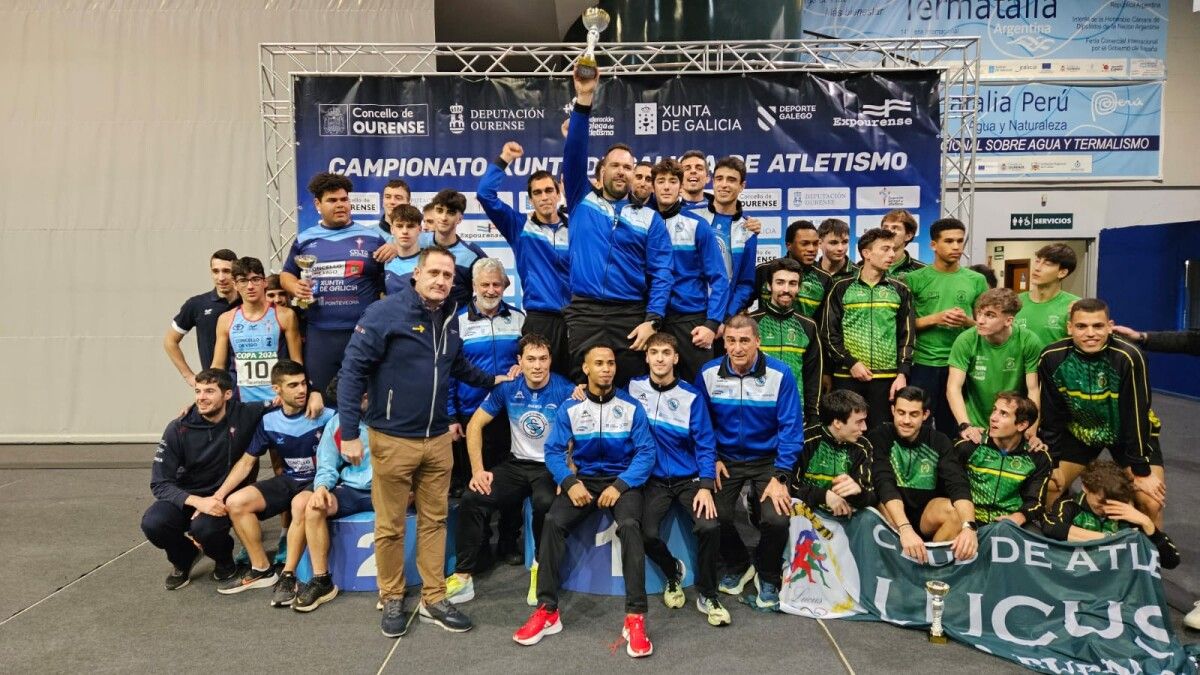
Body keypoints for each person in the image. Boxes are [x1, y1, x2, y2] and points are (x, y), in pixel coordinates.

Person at [338, 245, 509, 638]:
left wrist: (492, 381)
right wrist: (349, 433)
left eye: (448, 275)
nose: (441, 281)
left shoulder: (449, 316)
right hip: (392, 438)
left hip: (437, 439)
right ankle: (393, 595)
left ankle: (434, 598)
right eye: (434, 273)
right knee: (391, 525)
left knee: (435, 521)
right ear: (416, 274)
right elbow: (351, 374)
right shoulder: (384, 313)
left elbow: (457, 363)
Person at [513, 343, 657, 658]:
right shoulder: (569, 407)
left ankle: (634, 617)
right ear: (587, 369)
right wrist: (568, 480)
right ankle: (548, 610)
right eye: (599, 363)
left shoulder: (632, 407)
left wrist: (621, 485)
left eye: (611, 363)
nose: (606, 369)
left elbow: (646, 453)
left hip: (623, 480)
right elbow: (553, 451)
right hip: (585, 481)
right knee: (552, 521)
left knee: (631, 525)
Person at [560, 69, 672, 385]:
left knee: (630, 392)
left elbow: (662, 273)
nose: (622, 171)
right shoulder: (581, 199)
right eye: (615, 165)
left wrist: (653, 320)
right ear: (602, 171)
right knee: (582, 395)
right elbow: (574, 153)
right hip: (585, 313)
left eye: (628, 167)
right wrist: (584, 100)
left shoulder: (650, 219)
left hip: (630, 315)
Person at [446, 334, 576, 607]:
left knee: (544, 503)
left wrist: (568, 472)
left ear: (551, 360)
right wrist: (478, 470)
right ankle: (463, 576)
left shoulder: (566, 389)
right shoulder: (508, 388)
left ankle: (540, 571)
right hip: (517, 465)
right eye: (530, 359)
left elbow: (578, 435)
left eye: (543, 359)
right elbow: (474, 426)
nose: (537, 366)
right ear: (520, 361)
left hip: (550, 466)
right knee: (472, 498)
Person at [697, 314, 803, 611]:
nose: (737, 347)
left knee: (776, 517)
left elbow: (791, 431)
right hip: (725, 459)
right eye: (731, 340)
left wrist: (781, 476)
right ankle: (739, 563)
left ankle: (768, 574)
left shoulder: (781, 374)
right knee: (714, 515)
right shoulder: (707, 373)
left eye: (744, 340)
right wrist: (713, 458)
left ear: (758, 341)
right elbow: (701, 426)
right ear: (724, 342)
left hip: (767, 461)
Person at [629, 333, 731, 627]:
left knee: (710, 526)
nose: (660, 358)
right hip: (653, 481)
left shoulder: (692, 396)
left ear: (675, 358)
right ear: (646, 357)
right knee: (645, 533)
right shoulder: (633, 389)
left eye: (666, 353)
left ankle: (708, 593)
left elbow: (705, 443)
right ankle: (673, 572)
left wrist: (705, 485)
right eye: (654, 352)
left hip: (689, 479)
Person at [1038, 298, 1165, 527]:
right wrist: (1053, 461)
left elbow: (1135, 415)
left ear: (1110, 326)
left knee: (1150, 502)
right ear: (1069, 328)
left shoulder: (1128, 357)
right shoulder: (1052, 357)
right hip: (1080, 432)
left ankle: (1148, 558)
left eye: (1097, 326)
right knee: (1049, 487)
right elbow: (1051, 415)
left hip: (1127, 436)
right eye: (1081, 326)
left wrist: (1141, 470)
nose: (1090, 333)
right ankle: (1068, 543)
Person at [212, 360, 333, 598]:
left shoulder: (327, 415)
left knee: (301, 503)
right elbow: (246, 462)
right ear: (276, 389)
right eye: (292, 385)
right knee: (236, 502)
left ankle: (292, 574)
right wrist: (218, 495)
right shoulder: (269, 421)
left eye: (303, 384)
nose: (301, 390)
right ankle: (262, 569)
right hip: (289, 480)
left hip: (318, 482)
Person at [141, 368, 270, 590]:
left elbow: (282, 402)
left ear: (228, 394)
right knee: (154, 523)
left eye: (209, 391)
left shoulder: (246, 414)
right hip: (189, 495)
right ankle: (184, 557)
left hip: (225, 496)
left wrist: (314, 396)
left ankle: (224, 562)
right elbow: (159, 483)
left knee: (205, 529)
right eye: (198, 391)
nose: (201, 397)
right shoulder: (178, 428)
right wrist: (198, 501)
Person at [281, 172, 387, 396]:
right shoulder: (304, 239)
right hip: (320, 334)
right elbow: (286, 275)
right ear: (317, 204)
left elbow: (389, 284)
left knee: (367, 400)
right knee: (321, 400)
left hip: (362, 333)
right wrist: (295, 287)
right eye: (332, 200)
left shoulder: (373, 239)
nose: (340, 205)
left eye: (344, 199)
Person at [477, 141, 571, 375]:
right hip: (540, 319)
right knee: (538, 384)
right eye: (537, 193)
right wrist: (504, 158)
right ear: (530, 199)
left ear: (558, 194)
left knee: (575, 386)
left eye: (549, 190)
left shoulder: (577, 227)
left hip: (576, 319)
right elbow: (484, 195)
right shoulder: (519, 227)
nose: (544, 197)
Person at [291, 375, 376, 613]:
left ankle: (393, 590)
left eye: (349, 401)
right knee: (313, 506)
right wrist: (321, 489)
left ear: (366, 396)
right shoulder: (337, 423)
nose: (344, 408)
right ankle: (322, 580)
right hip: (351, 489)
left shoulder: (392, 419)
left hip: (387, 491)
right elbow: (327, 465)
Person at [869, 387, 977, 563]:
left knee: (956, 514)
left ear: (925, 415)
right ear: (892, 411)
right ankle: (898, 564)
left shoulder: (939, 441)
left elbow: (958, 483)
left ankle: (929, 567)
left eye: (913, 414)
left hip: (924, 514)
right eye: (901, 413)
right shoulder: (879, 436)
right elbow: (884, 483)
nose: (905, 420)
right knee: (876, 505)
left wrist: (969, 527)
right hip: (891, 512)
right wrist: (905, 528)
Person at [822, 228, 915, 426]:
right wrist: (851, 362)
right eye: (885, 249)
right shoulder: (841, 288)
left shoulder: (900, 290)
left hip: (888, 379)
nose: (892, 254)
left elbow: (907, 336)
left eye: (893, 249)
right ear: (867, 253)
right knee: (846, 434)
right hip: (847, 376)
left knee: (880, 436)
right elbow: (830, 334)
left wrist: (902, 373)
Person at [448, 259, 526, 492]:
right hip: (470, 414)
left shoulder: (519, 318)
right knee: (474, 486)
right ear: (474, 285)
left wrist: (523, 367)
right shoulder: (457, 321)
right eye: (485, 285)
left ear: (504, 285)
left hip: (509, 413)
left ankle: (509, 530)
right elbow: (449, 373)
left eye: (496, 284)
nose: (491, 291)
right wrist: (451, 417)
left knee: (507, 484)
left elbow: (530, 358)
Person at [906, 218, 989, 433]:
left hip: (961, 363)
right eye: (949, 241)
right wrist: (936, 318)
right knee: (918, 426)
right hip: (924, 363)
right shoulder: (913, 279)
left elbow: (987, 326)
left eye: (960, 241)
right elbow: (903, 326)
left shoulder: (976, 280)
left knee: (955, 426)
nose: (956, 247)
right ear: (933, 245)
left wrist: (966, 321)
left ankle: (952, 466)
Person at [653, 157, 728, 382]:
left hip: (691, 322)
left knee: (701, 390)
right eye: (661, 181)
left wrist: (712, 324)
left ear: (681, 185)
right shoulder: (642, 222)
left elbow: (719, 278)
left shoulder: (697, 225)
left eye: (673, 181)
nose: (667, 186)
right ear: (653, 185)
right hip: (652, 320)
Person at [1042, 460, 1179, 569]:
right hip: (1076, 575)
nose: (1106, 510)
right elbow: (1051, 527)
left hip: (1116, 585)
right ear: (1086, 487)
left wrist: (1147, 523)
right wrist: (1112, 539)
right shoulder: (1069, 505)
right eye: (1101, 502)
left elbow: (1171, 561)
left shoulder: (1128, 515)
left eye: (1111, 503)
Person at [947, 289, 1043, 442]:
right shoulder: (965, 340)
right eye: (979, 313)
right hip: (975, 425)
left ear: (1008, 321)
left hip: (1013, 427)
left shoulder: (1029, 341)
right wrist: (965, 425)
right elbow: (953, 387)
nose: (980, 320)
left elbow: (1033, 389)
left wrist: (1031, 430)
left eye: (990, 315)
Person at [211, 257, 304, 403]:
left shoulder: (285, 315)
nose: (250, 286)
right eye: (243, 281)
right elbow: (217, 366)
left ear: (264, 282)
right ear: (235, 285)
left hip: (277, 401)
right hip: (240, 401)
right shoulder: (226, 319)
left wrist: (294, 393)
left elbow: (296, 362)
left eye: (255, 279)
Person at [955, 393, 1052, 526]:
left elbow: (1035, 502)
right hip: (967, 520)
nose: (993, 418)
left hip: (1009, 523)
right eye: (994, 410)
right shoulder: (969, 445)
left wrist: (1018, 517)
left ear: (1022, 425)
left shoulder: (1038, 457)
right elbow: (950, 487)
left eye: (1003, 414)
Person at [750, 258, 823, 432]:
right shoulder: (750, 323)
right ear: (769, 285)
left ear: (798, 287)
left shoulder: (808, 326)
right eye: (780, 282)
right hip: (757, 409)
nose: (786, 289)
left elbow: (813, 374)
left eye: (792, 284)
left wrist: (813, 414)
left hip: (794, 410)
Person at [687, 156, 760, 320]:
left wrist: (726, 316)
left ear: (742, 186)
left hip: (723, 319)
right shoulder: (690, 218)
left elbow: (745, 283)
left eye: (732, 180)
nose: (724, 184)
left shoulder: (748, 230)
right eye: (719, 178)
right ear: (713, 182)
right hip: (688, 313)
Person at [164, 249, 240, 389]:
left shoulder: (248, 302)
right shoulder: (197, 304)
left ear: (236, 273)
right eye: (215, 271)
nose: (221, 277)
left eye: (226, 271)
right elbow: (170, 341)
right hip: (215, 387)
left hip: (248, 387)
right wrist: (189, 376)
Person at [790, 390, 875, 515]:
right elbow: (789, 487)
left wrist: (858, 493)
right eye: (859, 422)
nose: (864, 428)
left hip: (844, 516)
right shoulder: (805, 441)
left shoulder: (863, 446)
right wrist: (824, 496)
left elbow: (871, 497)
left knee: (869, 514)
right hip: (806, 513)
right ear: (837, 423)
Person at [419, 189, 488, 308]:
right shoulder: (416, 242)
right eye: (439, 211)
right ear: (434, 212)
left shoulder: (472, 254)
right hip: (419, 321)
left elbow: (497, 283)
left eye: (450, 213)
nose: (443, 217)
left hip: (457, 322)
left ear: (460, 218)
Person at [754, 219, 831, 318]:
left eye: (815, 244)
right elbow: (742, 302)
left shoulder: (824, 278)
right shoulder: (764, 270)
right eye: (805, 244)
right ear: (788, 245)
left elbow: (825, 321)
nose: (812, 249)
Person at [1014, 243, 1080, 346]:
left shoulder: (1075, 305)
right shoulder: (1015, 301)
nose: (1037, 268)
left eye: (1047, 264)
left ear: (1062, 273)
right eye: (1037, 261)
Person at [382, 204, 425, 296]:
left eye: (410, 226)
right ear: (392, 229)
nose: (405, 231)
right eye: (399, 226)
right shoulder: (385, 262)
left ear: (420, 229)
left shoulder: (428, 262)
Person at [880, 209, 926, 281]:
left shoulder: (922, 271)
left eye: (895, 228)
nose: (888, 231)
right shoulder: (865, 267)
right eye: (885, 227)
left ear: (908, 236)